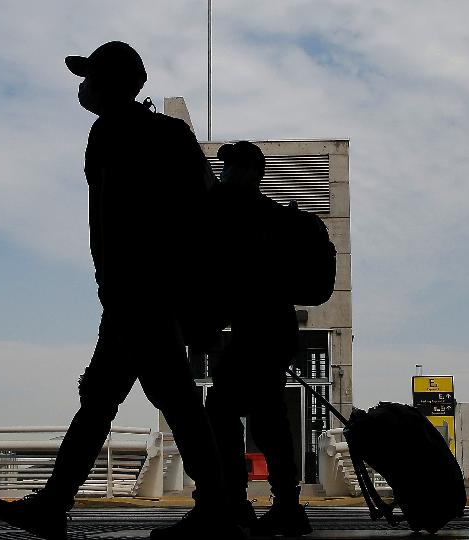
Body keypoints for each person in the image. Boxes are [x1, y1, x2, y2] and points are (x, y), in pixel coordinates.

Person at [0, 41, 242, 540]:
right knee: (109, 398)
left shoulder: (108, 133)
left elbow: (108, 225)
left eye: (89, 78)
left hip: (134, 293)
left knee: (159, 399)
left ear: (109, 83)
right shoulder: (170, 136)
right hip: (151, 292)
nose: (82, 88)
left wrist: (115, 287)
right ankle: (58, 502)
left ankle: (217, 509)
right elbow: (203, 218)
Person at [205, 141, 312, 537]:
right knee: (261, 417)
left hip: (260, 333)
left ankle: (247, 501)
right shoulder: (263, 213)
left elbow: (233, 274)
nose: (225, 173)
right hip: (268, 332)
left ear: (251, 171)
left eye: (231, 166)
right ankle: (280, 504)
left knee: (231, 411)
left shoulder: (245, 210)